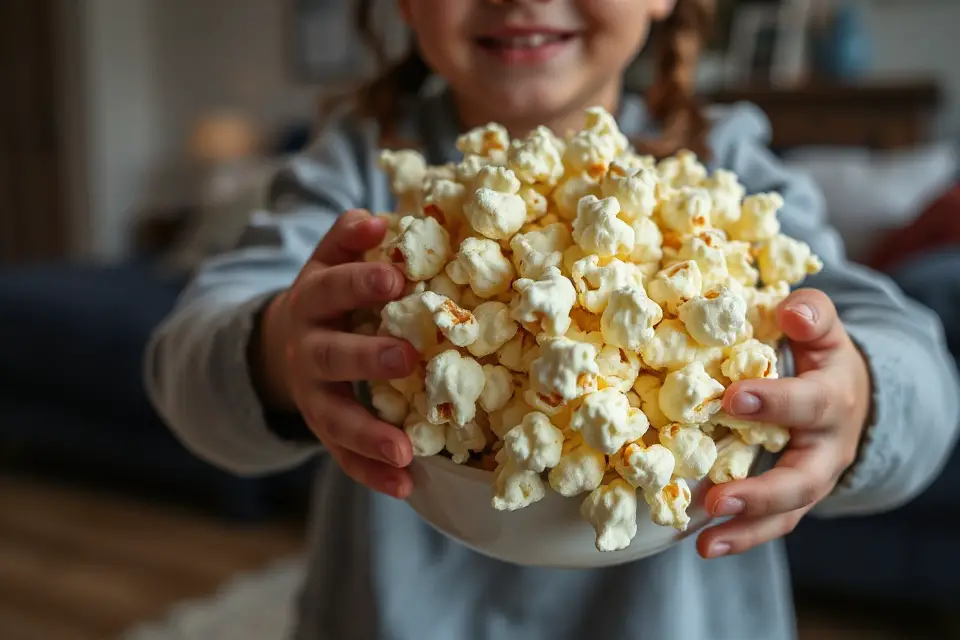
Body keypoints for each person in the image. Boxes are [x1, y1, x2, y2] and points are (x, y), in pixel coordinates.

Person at [145, 1, 960, 638]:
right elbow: (182, 363)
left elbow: (922, 375)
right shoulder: (358, 169)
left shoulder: (727, 170)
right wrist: (278, 352)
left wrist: (860, 397)